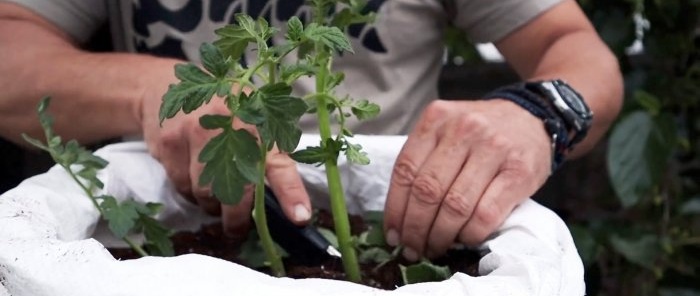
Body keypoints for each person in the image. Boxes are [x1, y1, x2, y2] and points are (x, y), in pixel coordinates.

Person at [0, 0, 622, 262]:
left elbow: (575, 49)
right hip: (181, 225)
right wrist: (148, 88)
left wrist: (541, 112)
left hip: (400, 234)